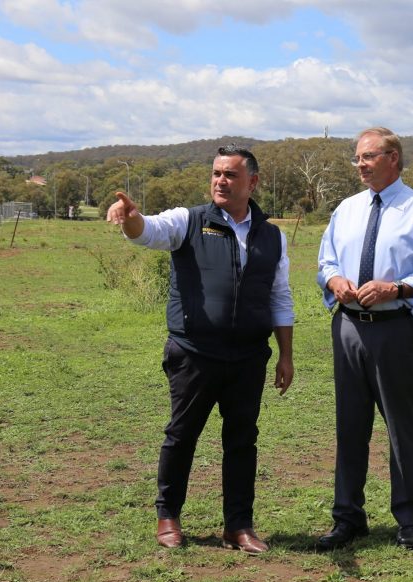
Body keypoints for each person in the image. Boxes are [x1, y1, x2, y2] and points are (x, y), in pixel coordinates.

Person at [106, 144, 294, 554]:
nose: (220, 181)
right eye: (216, 174)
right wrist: (131, 220)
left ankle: (238, 526)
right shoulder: (188, 221)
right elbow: (149, 232)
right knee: (181, 435)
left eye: (230, 174)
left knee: (242, 441)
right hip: (194, 353)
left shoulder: (272, 235)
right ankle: (168, 517)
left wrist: (286, 354)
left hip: (248, 357)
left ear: (253, 182)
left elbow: (280, 296)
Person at [316, 127, 413, 550]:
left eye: (369, 156)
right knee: (349, 426)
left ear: (393, 158)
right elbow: (326, 260)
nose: (360, 164)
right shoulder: (346, 210)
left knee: (401, 427)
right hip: (349, 327)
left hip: (396, 328)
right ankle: (347, 518)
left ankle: (409, 518)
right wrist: (334, 278)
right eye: (357, 157)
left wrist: (396, 288)